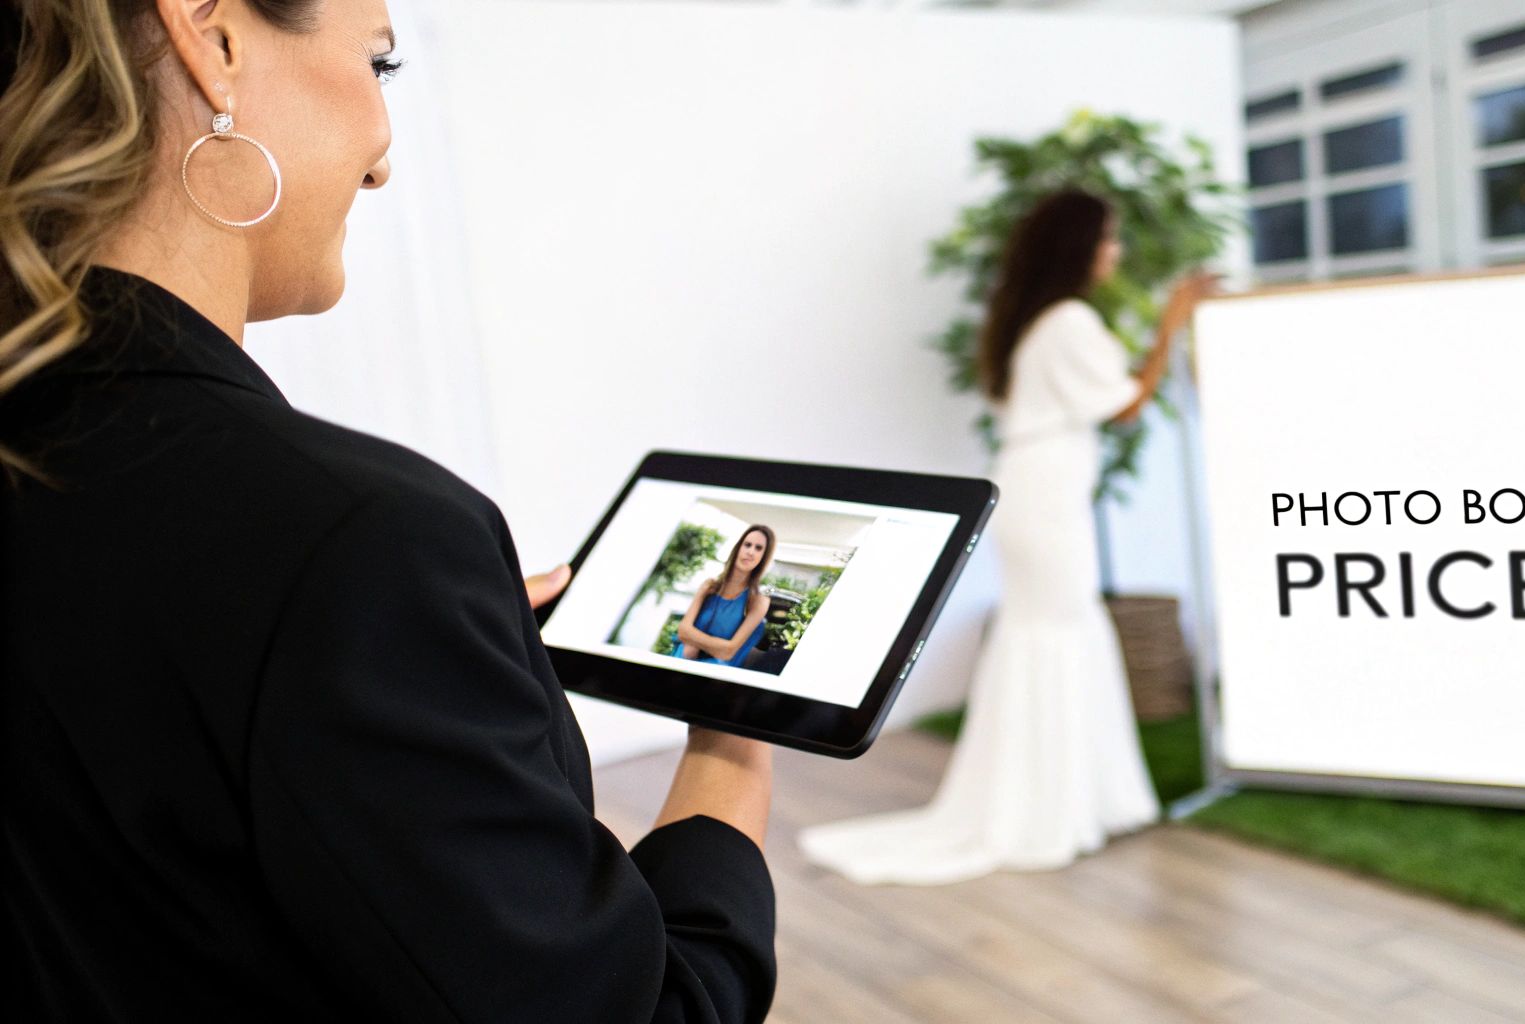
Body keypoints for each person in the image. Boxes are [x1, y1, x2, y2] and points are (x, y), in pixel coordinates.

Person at [0, 2, 775, 1019]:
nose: (380, 163)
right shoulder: (356, 542)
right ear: (212, 40)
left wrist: (428, 671)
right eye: (381, 61)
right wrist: (734, 753)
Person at [798, 188, 1218, 885]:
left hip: (1030, 489)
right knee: (1057, 630)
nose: (1115, 251)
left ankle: (1056, 802)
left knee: (1045, 630)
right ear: (1081, 247)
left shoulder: (1028, 319)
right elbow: (1124, 406)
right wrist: (1172, 323)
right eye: (1108, 238)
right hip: (1047, 496)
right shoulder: (1070, 320)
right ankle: (1052, 809)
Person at [674, 525, 775, 667]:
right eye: (747, 545)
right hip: (678, 662)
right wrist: (711, 645)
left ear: (763, 557)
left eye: (758, 548)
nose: (751, 552)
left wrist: (694, 640)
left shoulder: (759, 601)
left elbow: (728, 651)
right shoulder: (709, 586)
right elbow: (682, 631)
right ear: (738, 547)